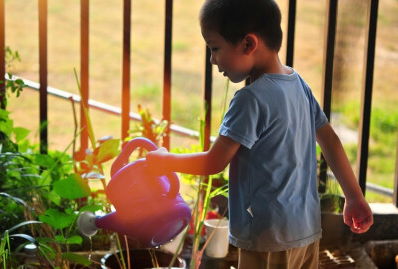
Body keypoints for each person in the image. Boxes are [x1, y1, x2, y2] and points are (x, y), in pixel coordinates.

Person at [145, 0, 373, 268]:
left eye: (215, 48)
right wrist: (354, 196)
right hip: (307, 230)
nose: (212, 60)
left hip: (269, 238)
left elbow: (213, 162)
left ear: (248, 44)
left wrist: (163, 161)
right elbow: (330, 140)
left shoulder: (250, 100)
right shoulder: (298, 84)